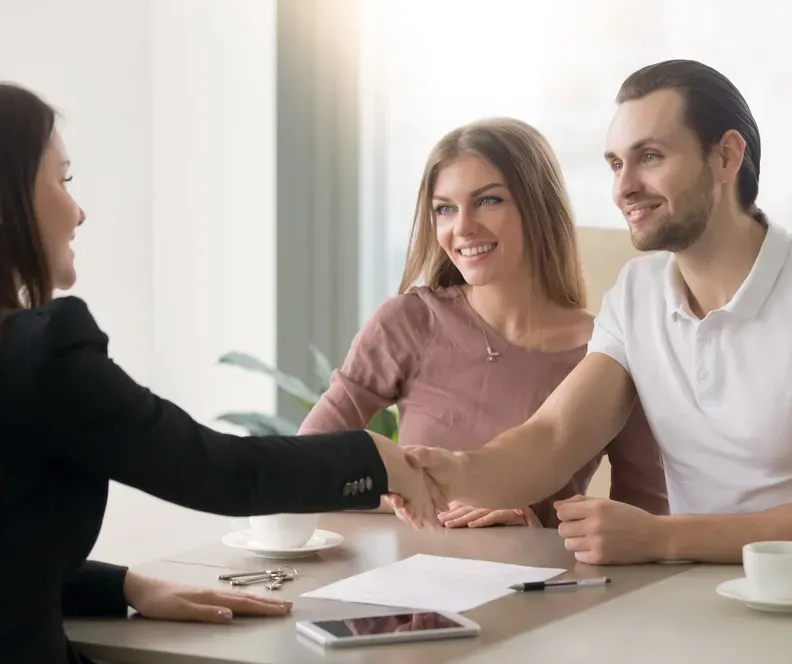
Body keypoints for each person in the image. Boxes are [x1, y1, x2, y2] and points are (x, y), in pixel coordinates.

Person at [0, 83, 442, 664]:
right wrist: (373, 459)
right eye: (64, 179)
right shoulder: (41, 353)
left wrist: (125, 585)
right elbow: (217, 470)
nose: (78, 211)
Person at [404, 59, 792, 566]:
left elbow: (659, 534)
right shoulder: (637, 294)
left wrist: (665, 539)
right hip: (692, 603)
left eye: (649, 156)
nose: (624, 187)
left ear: (725, 157)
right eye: (615, 164)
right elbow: (553, 437)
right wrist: (441, 470)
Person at [299, 117, 667, 528]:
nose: (462, 227)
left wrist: (533, 520)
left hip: (541, 585)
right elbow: (303, 467)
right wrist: (419, 499)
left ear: (537, 205)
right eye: (445, 209)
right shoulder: (408, 322)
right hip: (409, 581)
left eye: (488, 201)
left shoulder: (609, 349)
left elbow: (644, 518)